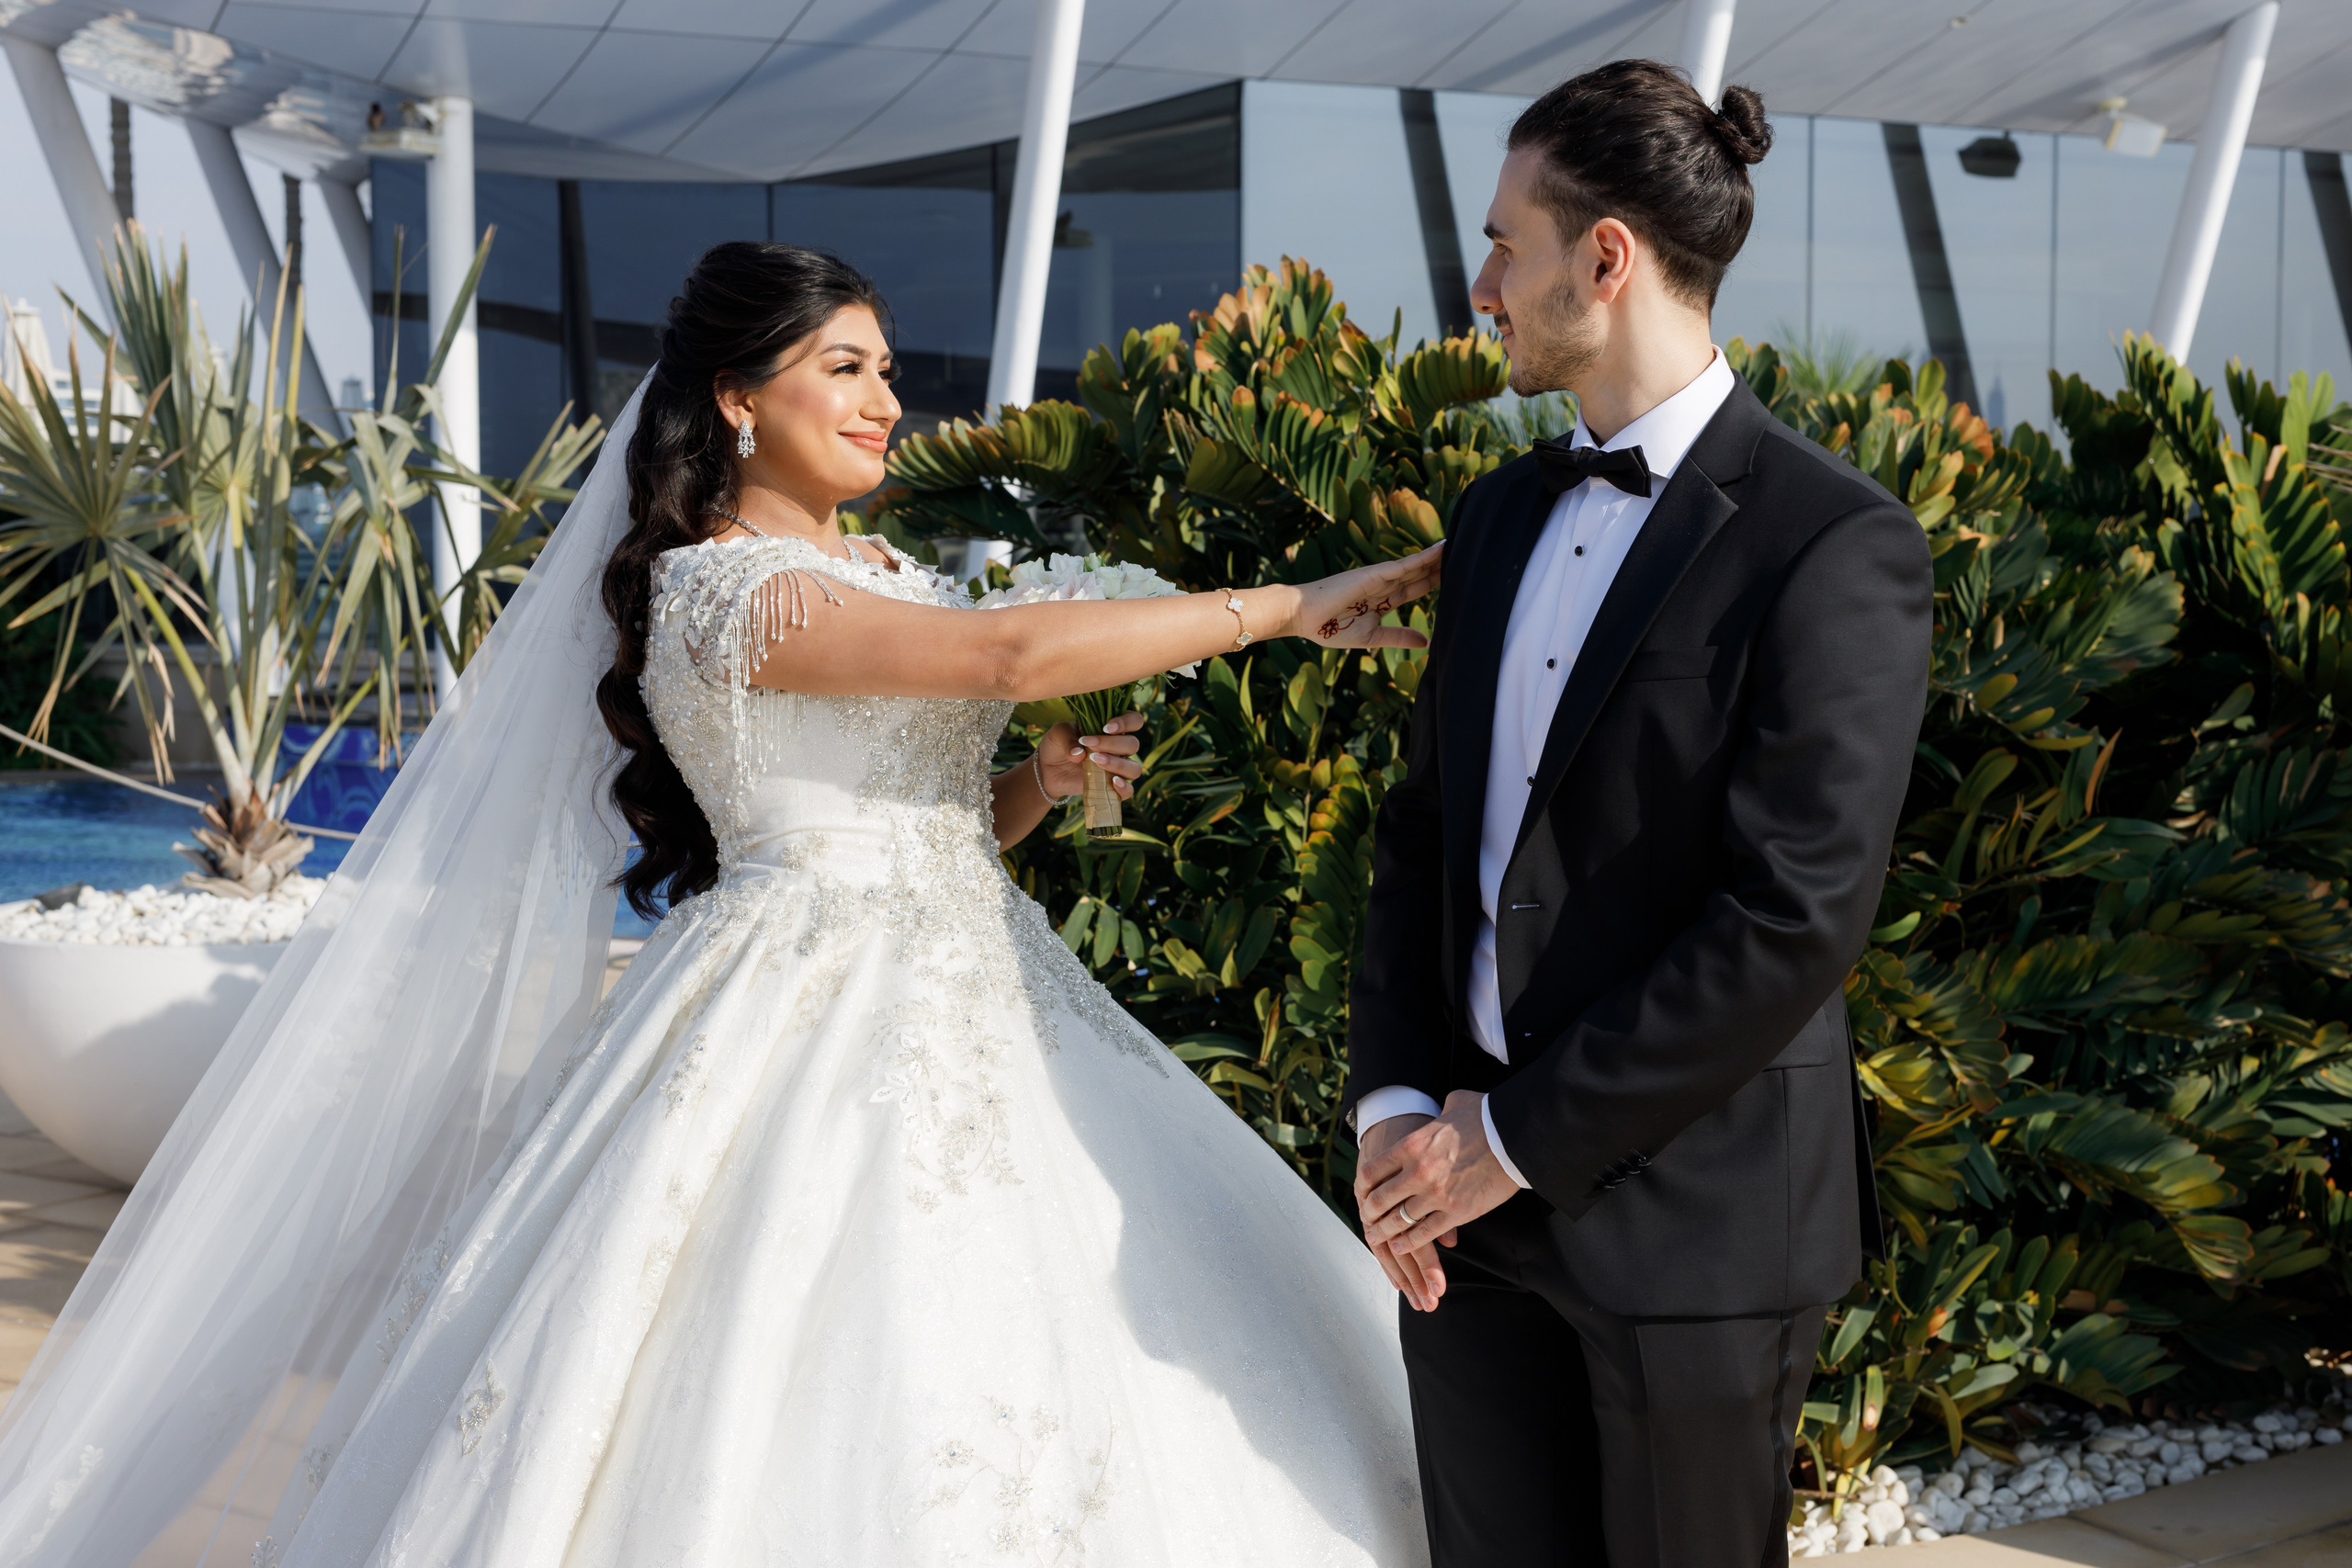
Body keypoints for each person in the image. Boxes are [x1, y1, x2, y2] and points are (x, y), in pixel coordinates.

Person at [0, 243, 1439, 1566]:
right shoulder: (725, 594)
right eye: (846, 369)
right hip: (809, 1026)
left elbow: (934, 834)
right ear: (740, 400)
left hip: (989, 991)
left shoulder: (879, 572)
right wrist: (1287, 605)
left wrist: (1042, 791)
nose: (887, 400)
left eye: (886, 368)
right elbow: (1004, 656)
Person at [1342, 61, 1933, 1568]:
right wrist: (1399, 1109)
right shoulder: (1496, 515)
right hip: (1458, 1226)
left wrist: (1517, 1136)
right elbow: (1423, 841)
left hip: (1696, 1224)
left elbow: (1794, 912)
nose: (1482, 284)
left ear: (1604, 258)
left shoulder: (1832, 541)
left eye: (1505, 244)